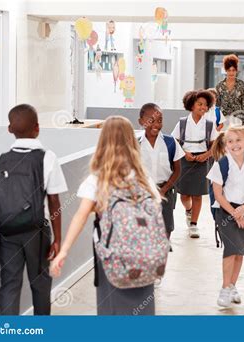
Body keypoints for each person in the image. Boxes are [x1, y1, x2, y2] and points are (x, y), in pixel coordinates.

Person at [50, 116, 162, 315]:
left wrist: (64, 251)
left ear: (103, 142)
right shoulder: (144, 179)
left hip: (113, 255)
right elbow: (155, 213)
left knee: (112, 307)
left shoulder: (98, 180)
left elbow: (80, 216)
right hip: (145, 255)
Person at [0, 104, 67, 315]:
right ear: (37, 128)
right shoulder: (47, 157)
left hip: (7, 232)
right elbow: (54, 202)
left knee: (9, 285)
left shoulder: (1, 159)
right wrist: (58, 239)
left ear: (9, 129)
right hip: (36, 232)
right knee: (40, 283)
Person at [207, 124, 244, 307]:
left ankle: (232, 286)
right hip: (225, 210)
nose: (234, 144)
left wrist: (243, 210)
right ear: (225, 145)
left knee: (240, 251)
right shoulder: (221, 165)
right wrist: (235, 214)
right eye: (230, 141)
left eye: (238, 140)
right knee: (231, 249)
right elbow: (218, 194)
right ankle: (224, 289)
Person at [171, 89, 217, 238]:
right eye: (200, 104)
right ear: (191, 105)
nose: (203, 107)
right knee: (184, 195)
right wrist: (185, 154)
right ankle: (188, 211)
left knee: (197, 195)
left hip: (202, 161)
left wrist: (206, 155)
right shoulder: (182, 123)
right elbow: (174, 142)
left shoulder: (210, 125)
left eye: (205, 105)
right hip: (185, 160)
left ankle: (194, 224)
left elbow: (215, 145)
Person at [138, 103, 185, 246]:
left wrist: (163, 190)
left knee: (166, 228)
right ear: (141, 121)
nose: (156, 124)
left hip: (165, 192)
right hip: (142, 193)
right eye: (151, 120)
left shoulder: (170, 142)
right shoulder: (135, 144)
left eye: (159, 120)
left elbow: (177, 170)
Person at [215, 54, 244, 128]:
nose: (231, 73)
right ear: (226, 70)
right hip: (223, 120)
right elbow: (217, 105)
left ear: (236, 70)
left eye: (233, 70)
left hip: (238, 119)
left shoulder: (241, 84)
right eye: (229, 70)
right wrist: (217, 121)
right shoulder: (219, 86)